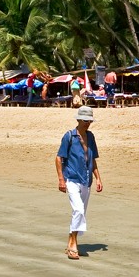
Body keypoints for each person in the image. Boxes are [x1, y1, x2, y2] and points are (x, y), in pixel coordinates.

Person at [55, 106, 103, 260]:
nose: (88, 123)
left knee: (80, 212)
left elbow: (92, 159)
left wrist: (98, 178)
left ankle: (71, 241)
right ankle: (73, 245)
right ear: (78, 119)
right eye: (85, 120)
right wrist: (61, 179)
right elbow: (58, 158)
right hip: (72, 179)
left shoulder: (91, 136)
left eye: (89, 120)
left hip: (86, 179)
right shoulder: (69, 136)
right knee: (79, 211)